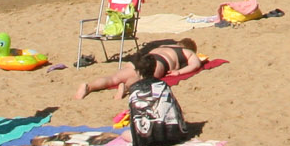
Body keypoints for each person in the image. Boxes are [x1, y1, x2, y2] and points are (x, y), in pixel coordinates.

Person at [73, 38, 202, 100]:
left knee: (114, 78)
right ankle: (126, 87)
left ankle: (88, 86)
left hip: (143, 57)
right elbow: (195, 65)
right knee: (140, 78)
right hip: (159, 62)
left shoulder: (165, 45)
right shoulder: (187, 52)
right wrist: (179, 72)